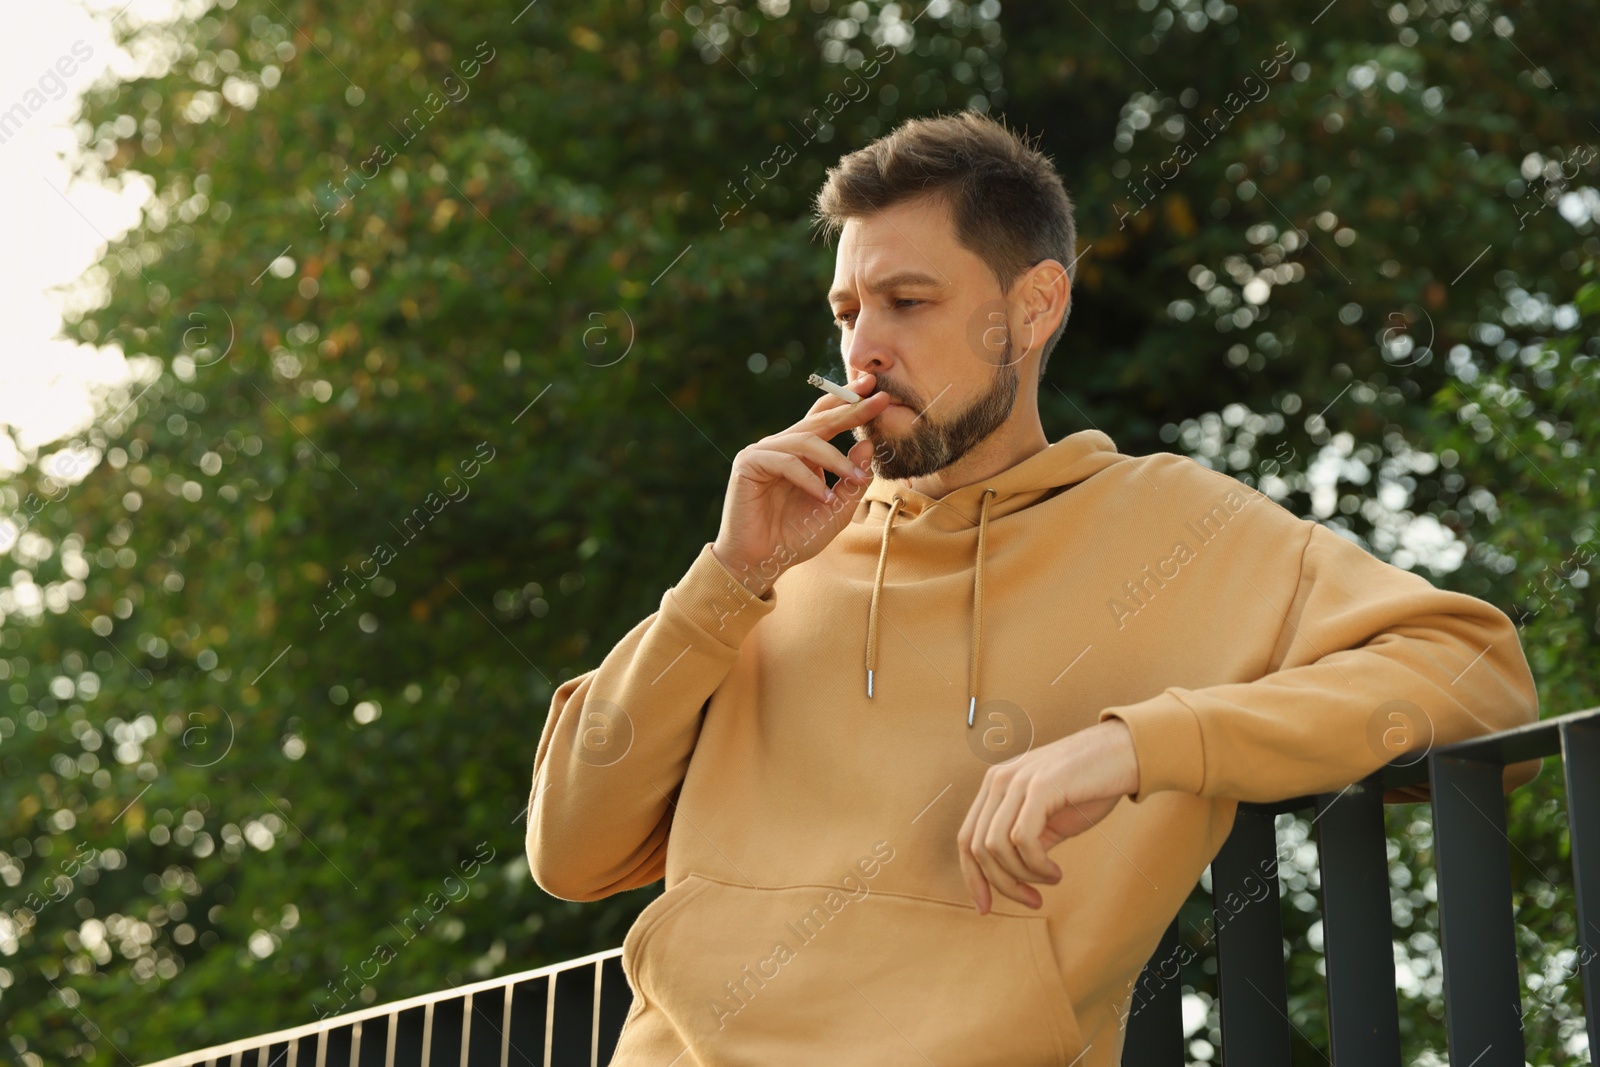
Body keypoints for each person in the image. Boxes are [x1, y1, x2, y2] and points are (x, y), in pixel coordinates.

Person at [526, 109, 1542, 1066]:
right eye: (847, 309)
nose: (862, 347)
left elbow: (1474, 677)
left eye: (907, 301)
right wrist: (728, 578)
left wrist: (1137, 743)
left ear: (1033, 306)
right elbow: (568, 850)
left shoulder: (1177, 530)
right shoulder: (776, 550)